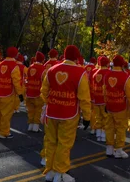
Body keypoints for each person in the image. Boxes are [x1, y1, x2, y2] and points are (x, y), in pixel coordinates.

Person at [41, 45, 91, 182]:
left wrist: (51, 101)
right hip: (69, 113)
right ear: (76, 57)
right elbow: (84, 98)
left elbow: (44, 92)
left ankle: (50, 171)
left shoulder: (51, 70)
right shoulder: (80, 73)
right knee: (64, 144)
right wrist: (87, 117)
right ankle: (60, 173)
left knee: (51, 142)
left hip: (52, 112)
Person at [104, 54, 130, 159]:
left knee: (109, 127)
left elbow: (105, 90)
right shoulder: (125, 77)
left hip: (109, 105)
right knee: (120, 129)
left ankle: (109, 148)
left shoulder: (107, 75)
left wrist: (106, 102)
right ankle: (119, 150)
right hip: (120, 107)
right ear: (122, 64)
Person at [0, 46, 24, 139]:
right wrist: (20, 94)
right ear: (15, 54)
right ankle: (4, 133)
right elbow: (16, 82)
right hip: (8, 93)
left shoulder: (0, 64)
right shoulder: (14, 66)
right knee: (6, 114)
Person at [91, 56, 110, 142]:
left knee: (98, 117)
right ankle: (103, 135)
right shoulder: (108, 73)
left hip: (96, 98)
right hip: (104, 99)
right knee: (106, 117)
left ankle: (98, 134)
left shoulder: (95, 73)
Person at [25, 51, 46, 132]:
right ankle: (36, 126)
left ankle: (30, 125)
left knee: (30, 109)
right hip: (38, 92)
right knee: (38, 110)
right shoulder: (44, 70)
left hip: (29, 91)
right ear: (43, 60)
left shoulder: (30, 67)